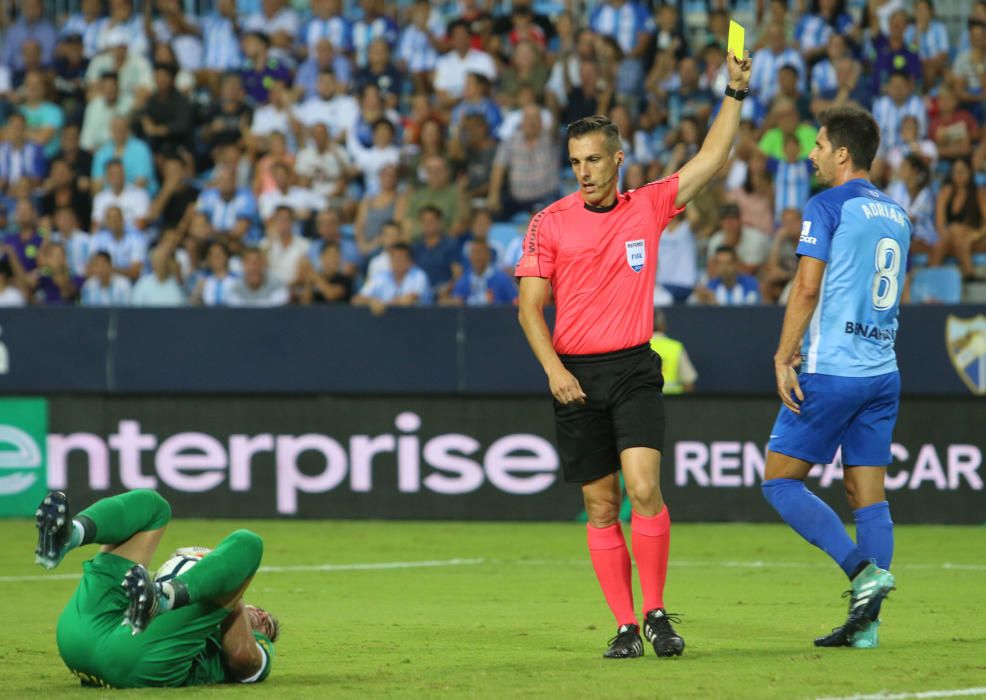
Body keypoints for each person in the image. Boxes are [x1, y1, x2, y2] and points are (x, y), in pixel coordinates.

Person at [515, 49, 752, 659]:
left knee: (643, 488)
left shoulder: (647, 205)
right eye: (575, 163)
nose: (584, 172)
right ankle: (624, 625)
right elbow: (528, 308)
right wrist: (554, 372)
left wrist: (733, 92)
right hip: (574, 375)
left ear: (617, 159)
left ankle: (655, 612)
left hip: (633, 368)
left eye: (594, 160)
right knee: (598, 505)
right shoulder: (548, 223)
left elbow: (710, 159)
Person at [762, 106, 908, 650]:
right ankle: (866, 628)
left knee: (778, 480)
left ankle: (861, 573)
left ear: (843, 153)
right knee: (866, 494)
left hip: (833, 369)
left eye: (820, 144)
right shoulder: (897, 213)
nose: (812, 152)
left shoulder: (827, 205)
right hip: (883, 372)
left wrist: (783, 356)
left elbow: (805, 289)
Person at [33, 489, 278, 688]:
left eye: (268, 626)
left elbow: (242, 657)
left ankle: (163, 597)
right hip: (84, 630)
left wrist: (232, 585)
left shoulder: (252, 645)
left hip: (141, 659)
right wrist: (217, 573)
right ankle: (70, 534)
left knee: (248, 543)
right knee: (153, 506)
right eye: (263, 612)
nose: (264, 616)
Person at [648, 310, 697, 394]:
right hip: (673, 402)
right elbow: (688, 383)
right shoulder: (675, 347)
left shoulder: (639, 347)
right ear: (662, 325)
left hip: (647, 401)